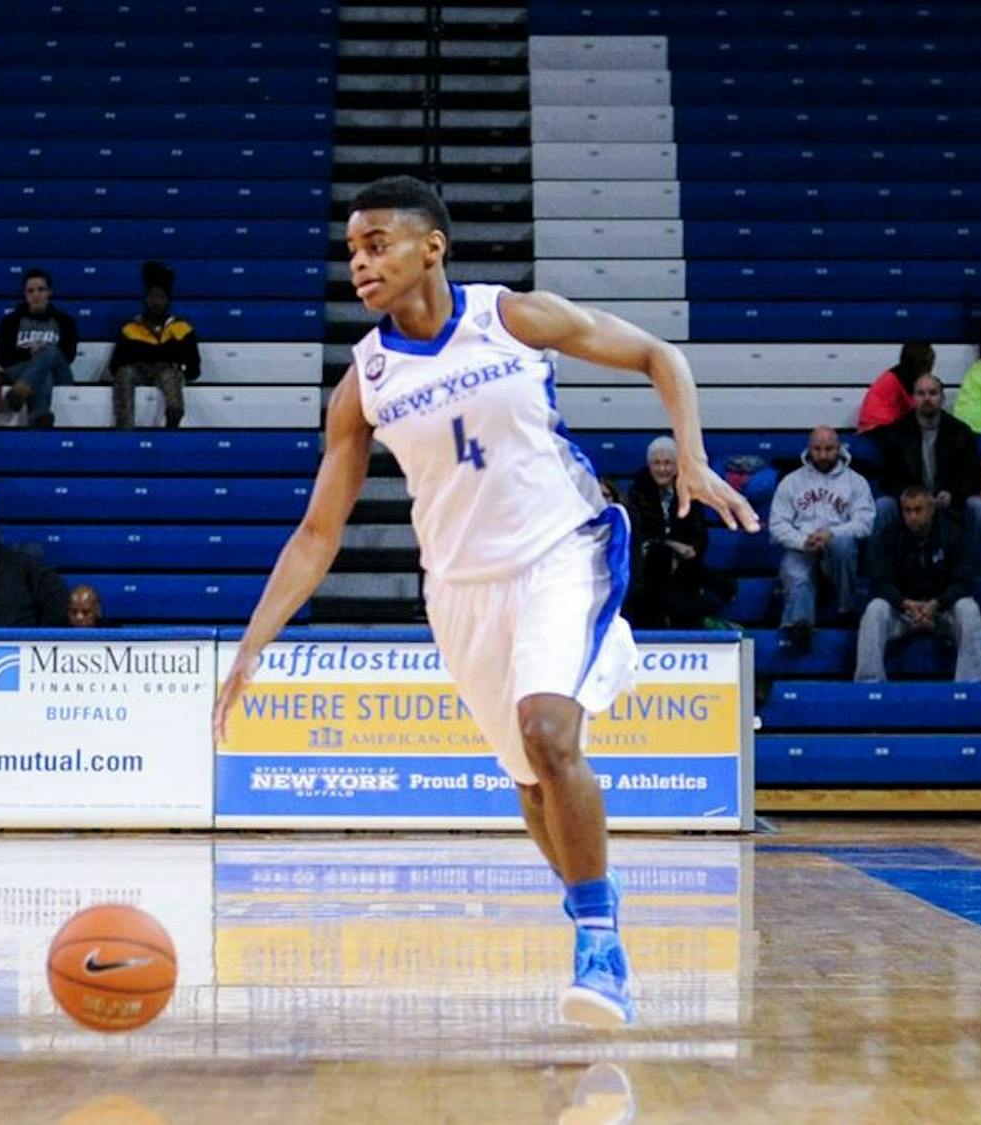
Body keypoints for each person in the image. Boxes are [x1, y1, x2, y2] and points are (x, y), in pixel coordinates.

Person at [212, 175, 759, 1028]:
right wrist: (252, 642)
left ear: (432, 246)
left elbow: (663, 356)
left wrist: (690, 456)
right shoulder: (364, 382)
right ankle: (592, 910)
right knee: (532, 781)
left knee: (549, 730)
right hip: (461, 590)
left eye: (378, 242)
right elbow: (319, 532)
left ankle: (600, 943)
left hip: (560, 548)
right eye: (353, 249)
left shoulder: (512, 318)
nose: (360, 262)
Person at [854, 486, 981, 683]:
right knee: (875, 609)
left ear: (932, 510)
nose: (912, 516)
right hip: (904, 612)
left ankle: (970, 684)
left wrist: (937, 604)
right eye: (907, 510)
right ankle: (869, 684)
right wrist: (905, 603)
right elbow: (881, 582)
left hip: (942, 612)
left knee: (969, 609)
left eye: (918, 510)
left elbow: (964, 581)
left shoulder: (954, 533)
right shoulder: (889, 535)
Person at [872, 372, 981, 575]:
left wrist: (953, 493)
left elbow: (974, 477)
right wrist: (908, 493)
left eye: (933, 393)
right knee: (883, 507)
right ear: (913, 398)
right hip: (910, 504)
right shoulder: (896, 432)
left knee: (980, 509)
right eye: (921, 393)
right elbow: (888, 477)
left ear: (942, 398)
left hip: (949, 503)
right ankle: (878, 576)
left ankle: (980, 577)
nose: (927, 398)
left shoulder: (961, 432)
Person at [768, 426, 876, 652]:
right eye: (818, 449)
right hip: (802, 548)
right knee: (794, 570)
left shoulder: (855, 482)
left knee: (844, 544)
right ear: (809, 449)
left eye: (829, 448)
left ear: (839, 448)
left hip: (838, 549)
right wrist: (802, 541)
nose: (824, 454)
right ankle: (800, 626)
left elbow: (865, 523)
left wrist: (832, 534)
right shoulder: (791, 482)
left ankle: (846, 609)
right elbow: (777, 525)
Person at [625, 436, 734, 630]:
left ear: (677, 466)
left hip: (686, 566)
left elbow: (700, 536)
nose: (662, 469)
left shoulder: (690, 492)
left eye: (668, 463)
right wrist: (672, 546)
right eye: (656, 463)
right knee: (658, 561)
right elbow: (640, 535)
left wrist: (690, 550)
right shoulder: (637, 492)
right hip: (649, 566)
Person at [110, 260, 200, 429]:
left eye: (161, 297)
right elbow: (115, 366)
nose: (156, 302)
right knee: (125, 373)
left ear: (168, 300)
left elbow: (194, 368)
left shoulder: (181, 328)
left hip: (169, 373)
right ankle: (125, 427)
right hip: (138, 372)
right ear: (145, 298)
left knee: (169, 373)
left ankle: (174, 414)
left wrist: (176, 367)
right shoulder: (130, 328)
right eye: (152, 297)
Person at [0, 268, 79, 429]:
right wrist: (29, 352)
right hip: (20, 370)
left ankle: (20, 391)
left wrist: (42, 353)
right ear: (25, 294)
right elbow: (3, 359)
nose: (36, 294)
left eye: (41, 289)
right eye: (30, 290)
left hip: (59, 374)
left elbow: (68, 356)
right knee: (43, 373)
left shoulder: (66, 321)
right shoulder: (10, 321)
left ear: (50, 292)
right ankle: (39, 416)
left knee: (50, 351)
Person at [857, 342, 935, 434]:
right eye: (929, 364)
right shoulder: (905, 379)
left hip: (875, 428)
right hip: (876, 429)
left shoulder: (899, 375)